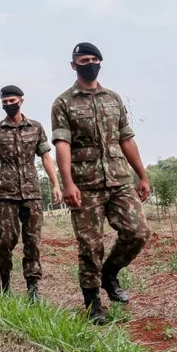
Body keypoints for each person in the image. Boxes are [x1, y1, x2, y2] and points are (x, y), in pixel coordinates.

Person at [51, 42, 151, 324]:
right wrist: (67, 183)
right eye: (84, 59)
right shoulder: (63, 103)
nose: (90, 63)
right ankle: (93, 304)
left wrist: (142, 175)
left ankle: (110, 274)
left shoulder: (113, 98)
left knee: (138, 232)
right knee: (89, 245)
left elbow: (126, 139)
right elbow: (62, 144)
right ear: (74, 65)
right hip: (86, 186)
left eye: (95, 59)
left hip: (119, 180)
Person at [0, 85, 62, 302]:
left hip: (32, 193)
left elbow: (46, 157)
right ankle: (5, 284)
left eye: (13, 100)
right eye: (5, 102)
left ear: (21, 100)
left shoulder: (35, 127)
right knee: (6, 241)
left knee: (32, 241)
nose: (9, 104)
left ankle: (33, 289)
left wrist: (56, 184)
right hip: (6, 193)